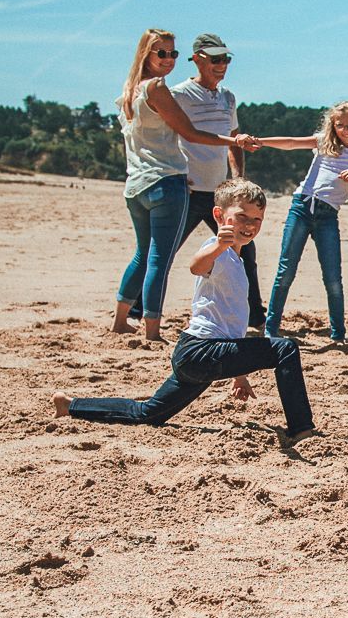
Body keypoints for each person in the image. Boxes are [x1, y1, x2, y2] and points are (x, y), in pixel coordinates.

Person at [53, 180, 315, 443]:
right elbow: (196, 266)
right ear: (219, 216)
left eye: (257, 219)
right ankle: (301, 428)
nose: (249, 225)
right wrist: (218, 247)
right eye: (242, 217)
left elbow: (231, 323)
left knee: (148, 413)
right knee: (285, 349)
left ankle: (70, 405)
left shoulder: (237, 259)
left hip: (195, 355)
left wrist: (240, 375)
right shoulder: (217, 249)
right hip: (202, 351)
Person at [113, 28, 257, 343]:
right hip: (167, 181)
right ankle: (151, 328)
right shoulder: (161, 90)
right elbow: (190, 133)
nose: (168, 59)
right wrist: (235, 140)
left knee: (143, 254)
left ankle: (121, 320)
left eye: (172, 53)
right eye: (161, 53)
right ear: (146, 55)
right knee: (158, 259)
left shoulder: (131, 90)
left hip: (136, 183)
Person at [256, 101, 348, 344]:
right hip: (302, 206)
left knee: (333, 277)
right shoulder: (324, 142)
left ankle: (338, 335)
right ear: (333, 126)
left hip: (328, 216)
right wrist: (260, 141)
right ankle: (271, 329)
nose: (346, 129)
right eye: (340, 125)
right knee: (286, 270)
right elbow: (291, 143)